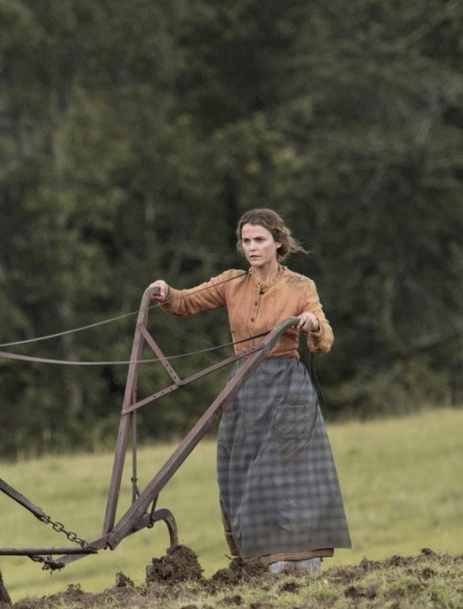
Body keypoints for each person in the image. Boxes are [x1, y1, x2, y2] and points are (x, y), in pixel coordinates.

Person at [149, 208, 351, 574]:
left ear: (278, 243)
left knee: (277, 477)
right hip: (243, 389)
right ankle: (255, 562)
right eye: (246, 241)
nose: (252, 248)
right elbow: (186, 301)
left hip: (287, 391)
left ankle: (297, 562)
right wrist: (165, 293)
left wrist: (313, 324)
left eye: (260, 240)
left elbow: (324, 338)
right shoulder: (231, 283)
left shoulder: (300, 287)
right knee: (238, 474)